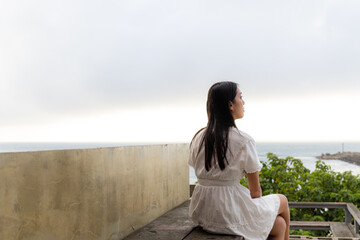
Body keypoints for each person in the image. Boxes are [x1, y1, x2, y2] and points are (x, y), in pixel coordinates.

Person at [188, 81, 290, 240]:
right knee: (282, 200)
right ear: (230, 105)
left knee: (279, 225)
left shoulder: (198, 138)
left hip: (203, 212)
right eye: (240, 97)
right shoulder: (243, 141)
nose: (244, 102)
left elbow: (201, 171)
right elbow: (255, 192)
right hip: (227, 215)